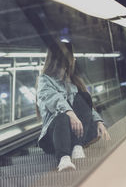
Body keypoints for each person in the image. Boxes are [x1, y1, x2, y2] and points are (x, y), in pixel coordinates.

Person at [36, 41, 110, 172]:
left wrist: (98, 121)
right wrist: (71, 113)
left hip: (75, 135)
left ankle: (77, 147)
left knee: (84, 97)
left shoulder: (72, 82)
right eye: (72, 56)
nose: (74, 59)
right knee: (62, 116)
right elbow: (54, 99)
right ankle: (64, 159)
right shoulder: (44, 80)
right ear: (64, 58)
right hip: (53, 137)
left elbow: (85, 107)